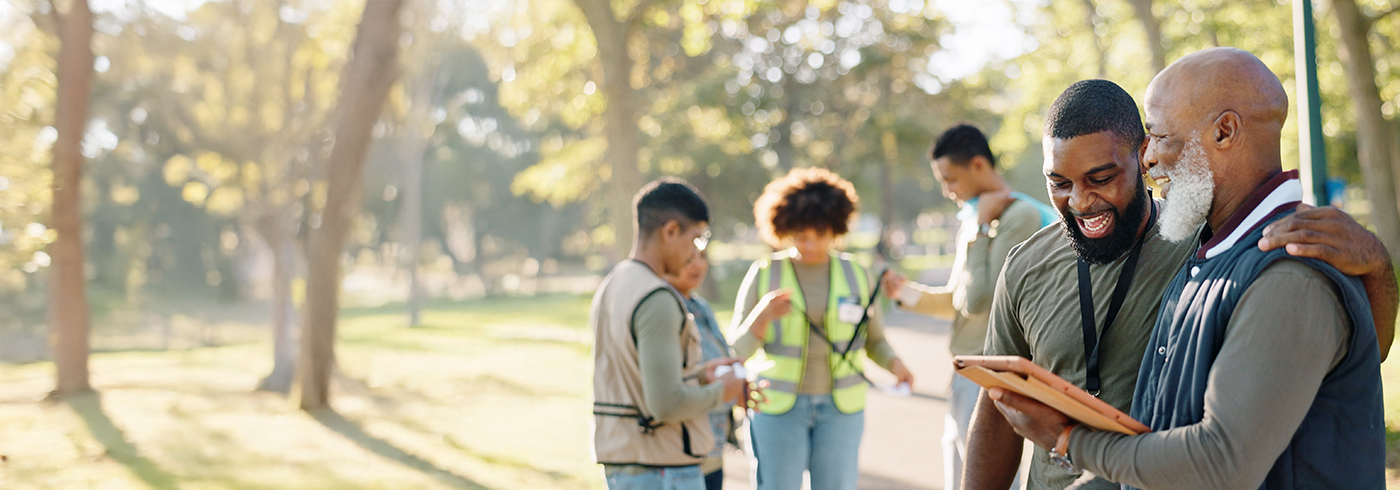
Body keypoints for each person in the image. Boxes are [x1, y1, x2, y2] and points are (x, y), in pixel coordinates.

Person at [962, 76, 1397, 490]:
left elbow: (1361, 350)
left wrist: (1377, 265)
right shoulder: (1025, 265)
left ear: (1142, 155)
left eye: (1101, 179)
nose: (1079, 201)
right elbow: (998, 406)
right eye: (1058, 183)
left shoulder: (1211, 241)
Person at [881, 124, 1054, 490]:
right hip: (966, 370)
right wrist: (904, 293)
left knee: (986, 480)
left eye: (951, 180)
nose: (948, 191)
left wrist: (980, 229)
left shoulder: (1016, 216)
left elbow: (979, 300)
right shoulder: (977, 218)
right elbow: (959, 300)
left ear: (978, 165)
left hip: (989, 369)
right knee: (960, 473)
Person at [730, 167, 914, 490]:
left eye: (820, 233)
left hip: (841, 410)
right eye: (801, 234)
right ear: (786, 228)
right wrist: (761, 318)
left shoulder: (858, 274)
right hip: (777, 407)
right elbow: (734, 351)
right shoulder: (764, 273)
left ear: (835, 228)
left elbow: (874, 341)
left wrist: (895, 364)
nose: (810, 243)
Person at [591, 178, 753, 490]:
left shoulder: (613, 284)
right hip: (664, 471)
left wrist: (699, 375)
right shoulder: (657, 298)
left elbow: (635, 379)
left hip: (626, 465)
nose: (695, 253)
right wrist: (724, 390)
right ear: (670, 231)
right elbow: (666, 404)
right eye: (697, 239)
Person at [664, 249, 737, 490]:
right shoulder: (664, 309)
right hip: (683, 453)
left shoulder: (701, 306)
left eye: (702, 256)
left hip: (712, 447)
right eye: (689, 257)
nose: (697, 265)